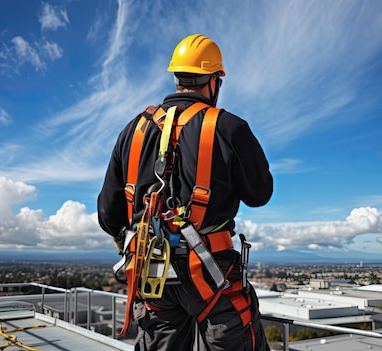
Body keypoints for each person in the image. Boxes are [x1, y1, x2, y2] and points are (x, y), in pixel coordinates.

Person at [98, 33, 273, 351]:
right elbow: (260, 194)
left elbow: (109, 214)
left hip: (152, 276)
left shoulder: (134, 130)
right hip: (211, 274)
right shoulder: (229, 127)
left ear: (177, 77)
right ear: (215, 80)